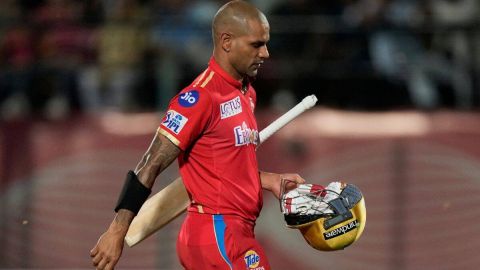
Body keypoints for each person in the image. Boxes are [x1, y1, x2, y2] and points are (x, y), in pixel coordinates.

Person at [90, 1, 305, 269]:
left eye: (266, 43)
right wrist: (116, 232)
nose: (266, 53)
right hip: (216, 231)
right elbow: (150, 163)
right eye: (256, 44)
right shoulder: (199, 98)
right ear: (226, 41)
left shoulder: (247, 94)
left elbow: (222, 166)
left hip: (235, 231)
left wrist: (269, 180)